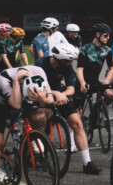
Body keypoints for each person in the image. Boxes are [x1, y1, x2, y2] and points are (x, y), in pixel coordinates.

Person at [0, 65, 54, 185]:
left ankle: (33, 139)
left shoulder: (39, 72)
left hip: (26, 99)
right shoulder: (4, 77)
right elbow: (15, 104)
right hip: (0, 105)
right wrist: (15, 81)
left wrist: (43, 99)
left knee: (39, 116)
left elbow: (50, 99)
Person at [36, 43, 100, 175]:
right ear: (61, 58)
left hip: (60, 96)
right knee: (43, 118)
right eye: (69, 60)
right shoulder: (41, 63)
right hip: (42, 95)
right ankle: (38, 150)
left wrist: (62, 95)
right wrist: (56, 93)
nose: (71, 63)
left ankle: (87, 163)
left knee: (77, 123)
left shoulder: (66, 66)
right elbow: (38, 87)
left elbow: (71, 89)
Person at [77, 23, 113, 106]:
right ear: (97, 35)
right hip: (82, 83)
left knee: (110, 95)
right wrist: (82, 83)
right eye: (106, 35)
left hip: (95, 82)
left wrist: (107, 79)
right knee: (78, 112)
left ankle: (98, 108)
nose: (108, 38)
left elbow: (111, 68)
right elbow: (80, 69)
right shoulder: (84, 49)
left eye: (109, 35)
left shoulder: (107, 50)